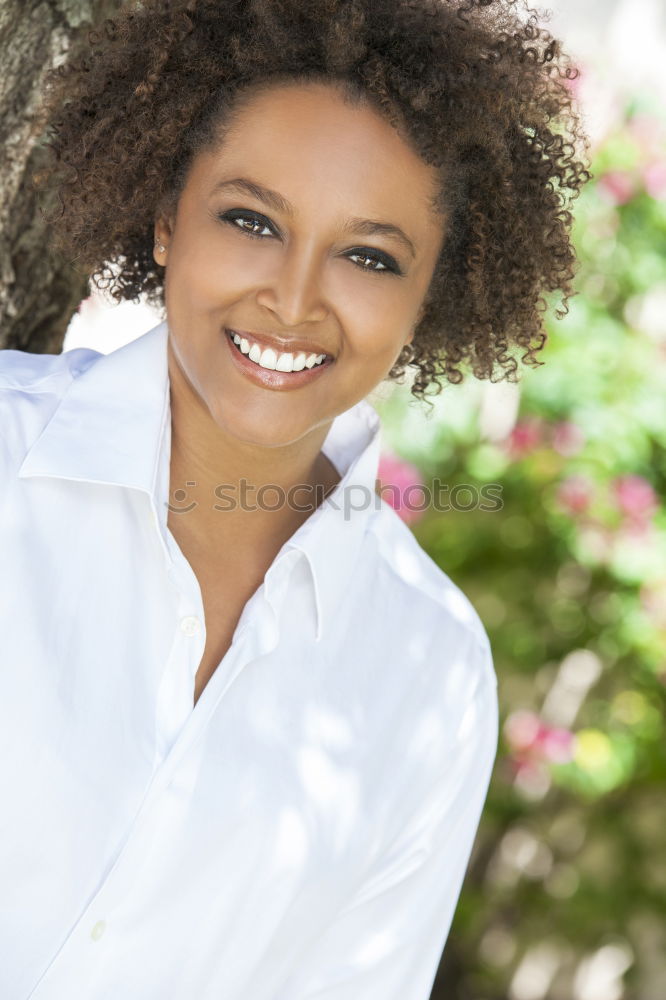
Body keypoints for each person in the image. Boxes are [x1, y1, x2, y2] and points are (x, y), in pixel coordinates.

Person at [0, 0, 590, 997]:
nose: (295, 296)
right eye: (251, 219)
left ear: (429, 292)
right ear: (165, 218)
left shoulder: (431, 674)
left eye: (369, 256)